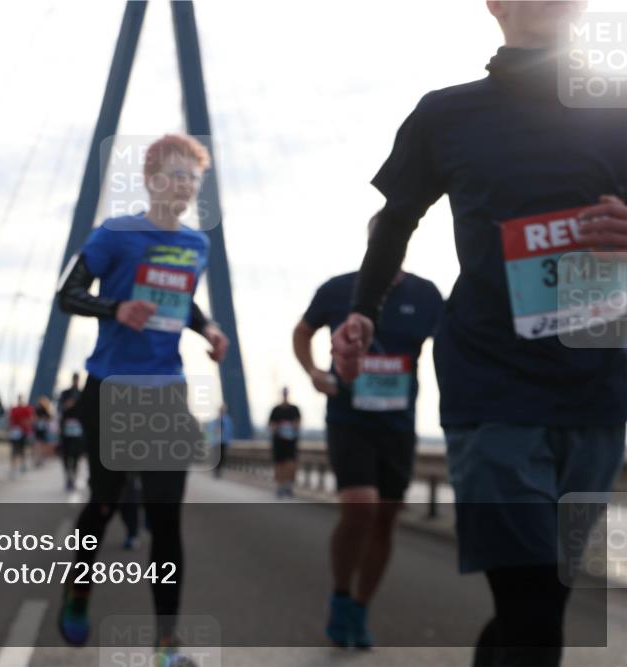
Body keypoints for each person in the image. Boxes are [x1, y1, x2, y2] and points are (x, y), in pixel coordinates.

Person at [331, 3, 626, 665]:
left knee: (541, 598)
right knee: (530, 609)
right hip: (492, 385)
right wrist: (362, 311)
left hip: (598, 387)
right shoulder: (446, 114)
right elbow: (397, 219)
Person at [55, 133, 229, 666]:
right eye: (175, 175)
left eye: (192, 179)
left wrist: (209, 330)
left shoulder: (196, 246)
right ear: (151, 178)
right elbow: (68, 294)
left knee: (166, 518)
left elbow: (182, 300)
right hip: (109, 388)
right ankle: (79, 589)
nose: (184, 186)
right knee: (105, 503)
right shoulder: (115, 234)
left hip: (164, 393)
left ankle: (165, 644)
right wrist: (115, 308)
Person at [294, 220, 443, 648]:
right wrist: (313, 371)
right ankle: (341, 595)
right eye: (382, 237)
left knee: (385, 521)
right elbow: (302, 331)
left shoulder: (426, 294)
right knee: (360, 507)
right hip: (348, 418)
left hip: (398, 424)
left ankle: (360, 607)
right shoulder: (338, 290)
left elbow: (454, 342)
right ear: (370, 240)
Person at [267, 388, 301, 498]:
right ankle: (280, 487)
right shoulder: (276, 409)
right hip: (278, 441)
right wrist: (280, 427)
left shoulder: (294, 409)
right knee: (279, 465)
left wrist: (290, 426)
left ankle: (288, 486)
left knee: (291, 465)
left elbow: (298, 423)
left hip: (291, 442)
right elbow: (271, 425)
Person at [58, 372, 85, 492]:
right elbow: (59, 408)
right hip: (66, 429)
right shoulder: (65, 393)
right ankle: (67, 477)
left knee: (75, 456)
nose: (75, 381)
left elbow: (86, 411)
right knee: (65, 456)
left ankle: (72, 478)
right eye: (74, 379)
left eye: (77, 379)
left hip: (78, 431)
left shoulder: (81, 394)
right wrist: (66, 406)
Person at [7, 394, 34, 477]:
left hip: (23, 432)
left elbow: (31, 419)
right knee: (14, 450)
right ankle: (13, 467)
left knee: (22, 449)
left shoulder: (27, 409)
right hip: (15, 432)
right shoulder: (14, 409)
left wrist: (26, 423)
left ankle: (22, 464)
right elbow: (10, 419)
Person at [212, 403, 232, 479]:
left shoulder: (227, 420)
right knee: (217, 456)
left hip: (223, 441)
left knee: (222, 457)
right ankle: (216, 470)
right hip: (216, 442)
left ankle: (218, 470)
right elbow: (212, 431)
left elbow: (229, 431)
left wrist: (228, 441)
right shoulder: (216, 420)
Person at [33, 395, 53, 467]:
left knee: (42, 445)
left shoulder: (45, 410)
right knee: (38, 444)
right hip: (38, 429)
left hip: (44, 429)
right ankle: (38, 459)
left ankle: (41, 459)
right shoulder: (37, 409)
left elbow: (50, 418)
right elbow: (34, 418)